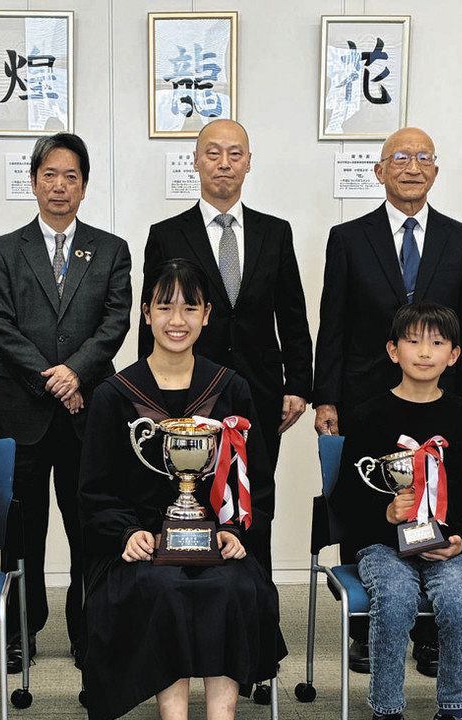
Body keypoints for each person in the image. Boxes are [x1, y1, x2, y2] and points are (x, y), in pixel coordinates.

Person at [79, 259, 286, 720]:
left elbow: (256, 478)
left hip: (214, 536)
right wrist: (125, 533)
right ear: (146, 313)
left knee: (232, 586)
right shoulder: (115, 394)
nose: (177, 319)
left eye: (190, 307)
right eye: (165, 306)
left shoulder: (230, 388)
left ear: (207, 315)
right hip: (143, 546)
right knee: (162, 587)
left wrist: (238, 530)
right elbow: (93, 491)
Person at [315, 126, 462, 677]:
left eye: (423, 157)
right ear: (379, 170)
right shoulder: (348, 237)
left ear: (435, 169)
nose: (412, 167)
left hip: (440, 398)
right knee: (368, 495)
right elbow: (333, 322)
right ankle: (366, 631)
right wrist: (326, 397)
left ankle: (432, 636)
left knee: (438, 502)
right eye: (400, 157)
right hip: (366, 395)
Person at [0, 132, 131, 673]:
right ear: (33, 182)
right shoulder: (4, 249)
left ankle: (88, 629)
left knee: (89, 526)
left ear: (84, 186)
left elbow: (115, 321)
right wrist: (52, 378)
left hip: (88, 409)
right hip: (19, 410)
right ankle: (21, 629)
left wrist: (76, 372)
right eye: (49, 175)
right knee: (22, 530)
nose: (60, 186)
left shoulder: (111, 249)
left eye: (71, 176)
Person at [137, 119, 313, 573]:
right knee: (189, 493)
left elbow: (292, 313)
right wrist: (148, 391)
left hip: (261, 390)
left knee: (256, 497)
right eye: (213, 153)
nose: (224, 163)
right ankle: (191, 593)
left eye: (235, 154)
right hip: (189, 389)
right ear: (195, 161)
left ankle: (257, 595)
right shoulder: (167, 233)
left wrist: (298, 385)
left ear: (249, 163)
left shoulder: (275, 232)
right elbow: (152, 317)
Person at [334, 303, 462, 720]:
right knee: (396, 595)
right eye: (413, 341)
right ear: (393, 350)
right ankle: (387, 717)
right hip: (384, 545)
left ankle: (451, 719)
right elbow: (345, 497)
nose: (424, 352)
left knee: (458, 598)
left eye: (437, 342)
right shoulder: (368, 414)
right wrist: (385, 513)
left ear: (454, 355)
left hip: (448, 545)